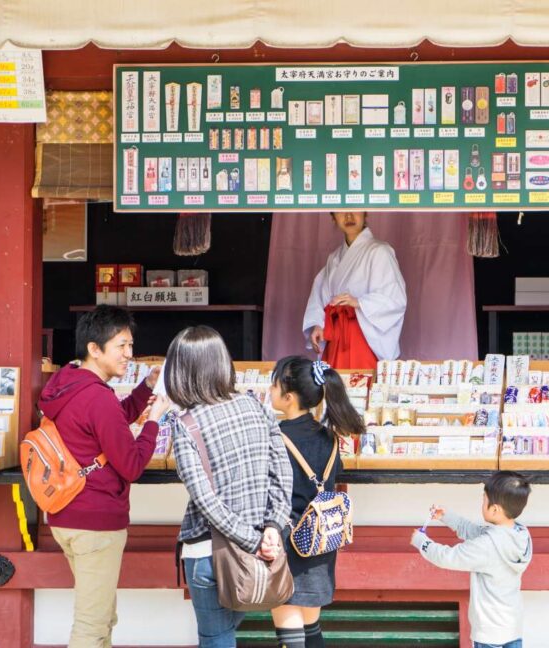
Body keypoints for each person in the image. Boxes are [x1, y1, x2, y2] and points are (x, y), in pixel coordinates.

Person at [38, 304, 170, 647]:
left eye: (130, 345)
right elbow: (131, 466)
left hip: (66, 514)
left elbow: (109, 421)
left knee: (101, 616)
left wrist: (144, 388)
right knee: (91, 626)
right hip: (94, 524)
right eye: (121, 346)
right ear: (95, 349)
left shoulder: (67, 383)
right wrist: (154, 420)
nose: (129, 354)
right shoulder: (96, 397)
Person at [167, 326, 293, 648]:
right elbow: (282, 474)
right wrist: (272, 530)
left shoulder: (185, 426)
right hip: (258, 552)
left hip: (209, 554)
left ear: (180, 372)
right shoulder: (258, 408)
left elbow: (206, 502)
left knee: (216, 637)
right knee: (223, 632)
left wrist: (254, 541)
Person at [268, 357, 364, 648]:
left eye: (273, 385)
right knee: (311, 628)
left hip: (286, 541)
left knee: (290, 632)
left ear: (288, 397)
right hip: (321, 540)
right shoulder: (330, 437)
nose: (269, 390)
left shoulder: (276, 437)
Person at [410, 471, 533, 648]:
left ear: (495, 509)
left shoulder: (487, 545)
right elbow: (475, 531)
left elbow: (449, 557)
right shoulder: (520, 534)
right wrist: (446, 516)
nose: (481, 504)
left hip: (489, 632)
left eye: (484, 500)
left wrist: (422, 542)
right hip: (512, 626)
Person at [302, 211, 407, 368]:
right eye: (341, 211)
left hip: (364, 337)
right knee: (334, 387)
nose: (349, 216)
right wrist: (319, 324)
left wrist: (358, 302)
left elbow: (394, 299)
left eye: (355, 208)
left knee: (363, 386)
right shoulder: (334, 258)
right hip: (337, 336)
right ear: (333, 217)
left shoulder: (380, 251)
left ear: (365, 213)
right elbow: (320, 296)